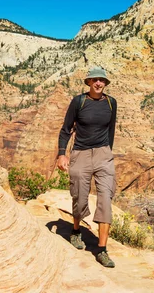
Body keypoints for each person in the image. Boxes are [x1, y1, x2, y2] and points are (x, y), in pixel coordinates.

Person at [57, 66, 117, 268]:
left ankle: (101, 249)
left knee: (105, 198)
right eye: (95, 80)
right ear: (89, 82)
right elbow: (66, 130)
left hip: (103, 155)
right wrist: (62, 154)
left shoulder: (111, 103)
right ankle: (75, 231)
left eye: (102, 80)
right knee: (80, 196)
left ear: (105, 83)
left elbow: (111, 130)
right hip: (80, 153)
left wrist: (107, 152)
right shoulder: (79, 102)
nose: (98, 83)